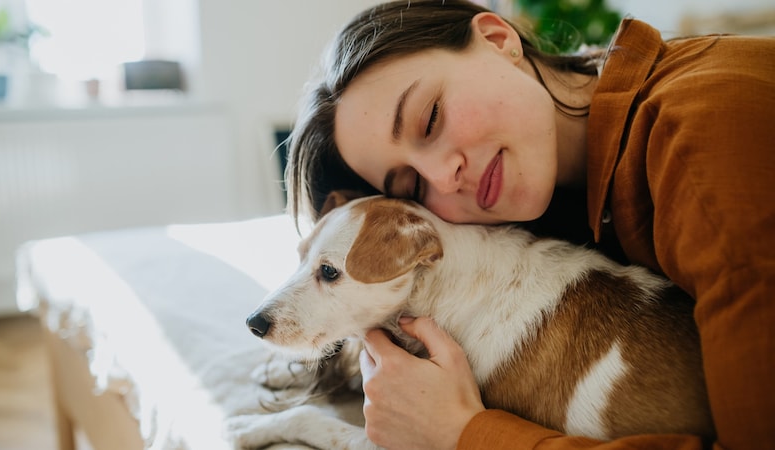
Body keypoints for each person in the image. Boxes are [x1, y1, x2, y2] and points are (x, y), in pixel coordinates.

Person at [284, 1, 775, 448]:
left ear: (499, 40)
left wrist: (464, 434)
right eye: (412, 187)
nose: (442, 175)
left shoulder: (702, 152)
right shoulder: (569, 210)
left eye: (430, 117)